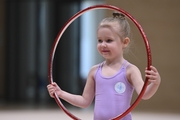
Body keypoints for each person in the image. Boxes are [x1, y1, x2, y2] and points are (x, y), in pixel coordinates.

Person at [47, 12, 161, 120]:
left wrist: (155, 83)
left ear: (124, 42)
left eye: (109, 40)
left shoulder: (130, 70)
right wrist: (61, 93)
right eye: (99, 40)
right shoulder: (94, 71)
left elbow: (144, 94)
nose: (103, 45)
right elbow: (84, 101)